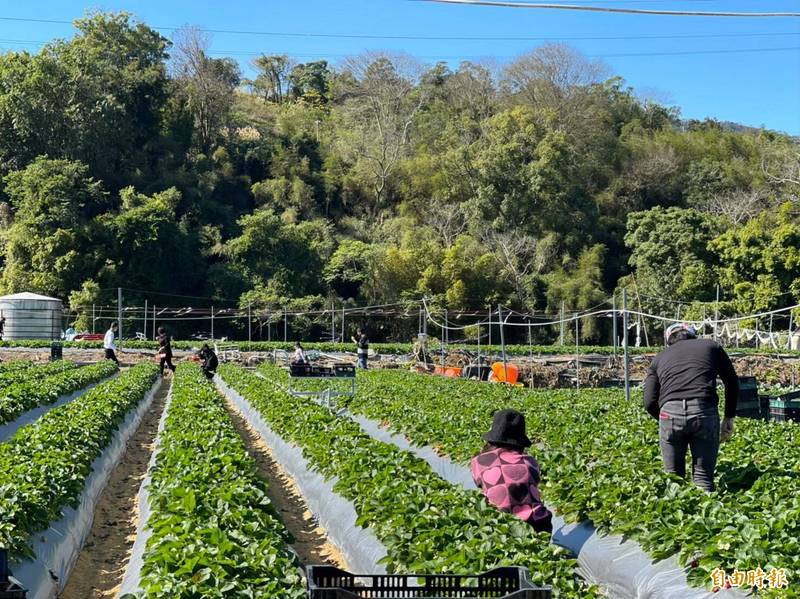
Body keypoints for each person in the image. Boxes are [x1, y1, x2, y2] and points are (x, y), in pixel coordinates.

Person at [643, 323, 739, 492]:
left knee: (673, 479)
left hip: (669, 413)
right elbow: (731, 381)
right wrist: (729, 416)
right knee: (703, 478)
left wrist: (666, 416)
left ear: (668, 340)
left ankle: (677, 513)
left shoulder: (659, 358)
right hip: (703, 410)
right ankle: (705, 513)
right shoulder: (711, 346)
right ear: (693, 335)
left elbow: (649, 401)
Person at [471, 409, 553, 534]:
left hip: (501, 525)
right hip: (538, 525)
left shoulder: (479, 461)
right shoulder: (530, 462)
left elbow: (482, 488)